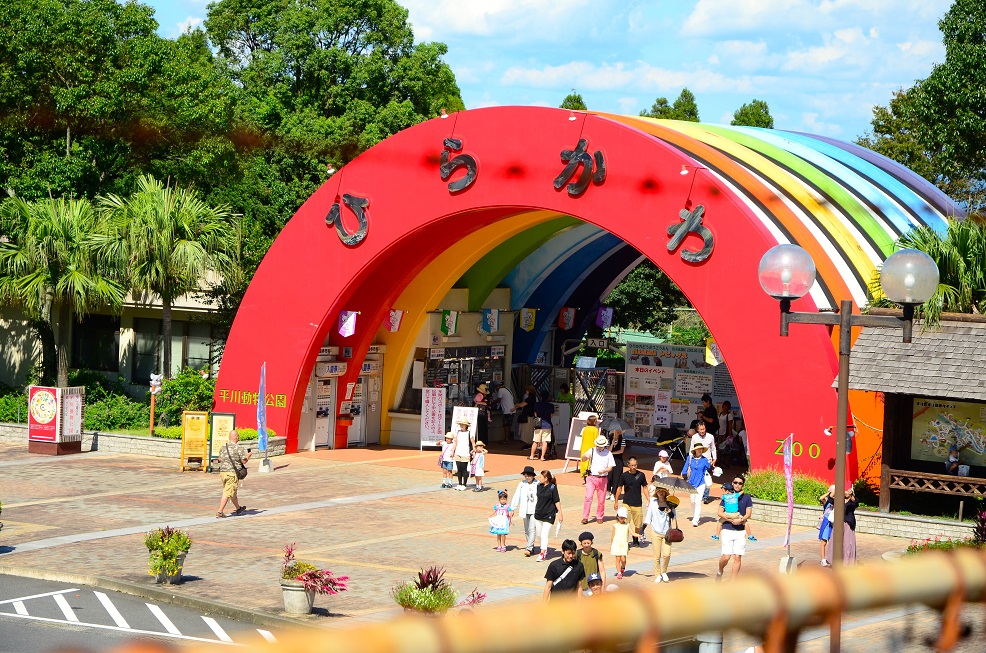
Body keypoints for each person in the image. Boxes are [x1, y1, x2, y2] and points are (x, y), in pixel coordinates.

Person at [716, 476, 753, 581]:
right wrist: (730, 520)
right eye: (735, 482)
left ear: (743, 485)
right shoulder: (727, 496)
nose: (737, 485)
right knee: (726, 557)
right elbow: (719, 512)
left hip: (741, 530)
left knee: (737, 557)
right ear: (732, 483)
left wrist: (740, 521)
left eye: (740, 483)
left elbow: (748, 514)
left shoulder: (746, 498)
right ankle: (720, 570)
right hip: (727, 528)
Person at [642, 487, 678, 583]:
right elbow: (648, 517)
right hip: (655, 532)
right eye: (659, 491)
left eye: (663, 491)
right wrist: (642, 529)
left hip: (667, 533)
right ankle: (657, 574)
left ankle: (664, 571)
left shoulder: (670, 503)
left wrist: (670, 512)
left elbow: (674, 516)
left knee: (667, 554)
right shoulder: (653, 503)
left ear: (665, 492)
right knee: (656, 555)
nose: (661, 493)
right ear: (656, 493)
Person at [217, 430, 252, 518]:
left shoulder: (223, 447)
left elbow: (220, 459)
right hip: (232, 473)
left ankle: (238, 508)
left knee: (232, 491)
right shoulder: (238, 448)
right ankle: (220, 512)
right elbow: (244, 461)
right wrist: (248, 455)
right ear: (237, 437)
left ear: (229, 437)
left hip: (223, 472)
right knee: (227, 492)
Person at [614, 456, 648, 546]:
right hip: (626, 503)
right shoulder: (624, 475)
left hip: (637, 503)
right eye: (632, 465)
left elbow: (645, 487)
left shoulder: (641, 475)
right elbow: (619, 488)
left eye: (635, 465)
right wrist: (616, 501)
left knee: (638, 524)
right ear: (628, 465)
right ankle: (624, 540)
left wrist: (649, 499)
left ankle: (635, 538)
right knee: (625, 522)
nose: (633, 467)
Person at [581, 435, 615, 524]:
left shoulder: (608, 453)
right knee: (588, 497)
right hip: (592, 477)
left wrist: (604, 470)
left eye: (601, 446)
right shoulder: (592, 450)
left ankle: (600, 516)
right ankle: (585, 517)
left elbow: (611, 467)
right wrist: (586, 456)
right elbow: (583, 459)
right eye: (598, 445)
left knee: (601, 499)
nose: (599, 447)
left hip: (603, 478)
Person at [533, 470, 563, 561]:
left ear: (546, 479)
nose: (539, 478)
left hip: (549, 514)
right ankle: (544, 547)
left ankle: (542, 553)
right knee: (539, 533)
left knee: (544, 534)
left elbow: (557, 501)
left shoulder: (552, 488)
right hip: (539, 513)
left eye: (541, 477)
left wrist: (560, 514)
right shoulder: (539, 486)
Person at [510, 465, 539, 557]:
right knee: (527, 530)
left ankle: (529, 548)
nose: (527, 478)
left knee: (532, 528)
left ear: (533, 476)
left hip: (534, 510)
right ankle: (531, 545)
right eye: (525, 476)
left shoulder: (537, 484)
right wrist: (512, 508)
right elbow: (516, 496)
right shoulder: (522, 484)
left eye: (529, 476)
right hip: (524, 510)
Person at [826, 486, 858, 566]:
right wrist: (837, 488)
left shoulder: (852, 501)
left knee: (848, 542)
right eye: (845, 491)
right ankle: (834, 560)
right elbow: (830, 497)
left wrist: (851, 495)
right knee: (836, 541)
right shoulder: (839, 500)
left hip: (848, 524)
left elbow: (856, 502)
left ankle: (847, 562)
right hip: (838, 523)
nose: (846, 492)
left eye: (848, 491)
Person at [682, 442, 712, 527]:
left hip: (701, 482)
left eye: (701, 449)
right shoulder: (690, 458)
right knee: (692, 501)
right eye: (698, 449)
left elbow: (709, 469)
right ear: (695, 450)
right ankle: (695, 515)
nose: (700, 450)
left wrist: (714, 470)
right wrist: (684, 476)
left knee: (698, 501)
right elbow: (685, 468)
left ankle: (696, 519)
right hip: (691, 482)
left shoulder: (705, 460)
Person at [690, 422, 717, 503]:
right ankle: (699, 493)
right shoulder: (694, 437)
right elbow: (691, 449)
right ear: (697, 430)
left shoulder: (710, 436)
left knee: (707, 478)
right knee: (698, 477)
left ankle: (705, 496)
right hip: (697, 460)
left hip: (707, 461)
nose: (702, 431)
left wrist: (714, 458)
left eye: (704, 429)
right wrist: (690, 460)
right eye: (701, 429)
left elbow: (713, 448)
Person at [451, 416, 475, 490]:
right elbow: (455, 442)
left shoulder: (469, 433)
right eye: (460, 424)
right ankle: (460, 484)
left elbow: (473, 443)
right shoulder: (457, 432)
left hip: (466, 453)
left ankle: (464, 484)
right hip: (458, 452)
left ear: (466, 425)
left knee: (464, 469)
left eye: (463, 424)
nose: (461, 426)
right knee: (459, 469)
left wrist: (474, 452)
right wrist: (453, 451)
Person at [531, 391, 555, 461]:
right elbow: (551, 415)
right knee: (545, 442)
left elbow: (535, 414)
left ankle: (532, 456)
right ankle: (542, 457)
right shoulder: (551, 405)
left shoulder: (537, 404)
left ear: (541, 396)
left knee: (535, 441)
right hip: (547, 425)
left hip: (538, 425)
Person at [610, 506, 631, 579]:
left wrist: (638, 535)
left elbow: (632, 532)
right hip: (616, 543)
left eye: (623, 517)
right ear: (617, 516)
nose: (622, 519)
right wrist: (611, 544)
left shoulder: (627, 525)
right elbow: (612, 536)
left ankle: (623, 568)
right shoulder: (615, 525)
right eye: (620, 517)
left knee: (623, 560)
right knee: (617, 559)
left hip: (623, 544)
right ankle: (619, 572)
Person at [605, 428, 626, 499]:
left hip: (618, 460)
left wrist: (612, 453)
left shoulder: (622, 439)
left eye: (619, 432)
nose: (618, 433)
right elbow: (608, 450)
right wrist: (612, 444)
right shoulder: (609, 439)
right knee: (609, 476)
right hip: (610, 460)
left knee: (617, 477)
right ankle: (607, 491)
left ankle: (613, 493)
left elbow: (621, 450)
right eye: (616, 431)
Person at [818, 485, 836, 566]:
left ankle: (831, 558)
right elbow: (821, 498)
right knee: (824, 541)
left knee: (833, 542)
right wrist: (829, 493)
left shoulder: (837, 501)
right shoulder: (827, 502)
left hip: (834, 524)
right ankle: (823, 559)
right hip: (826, 523)